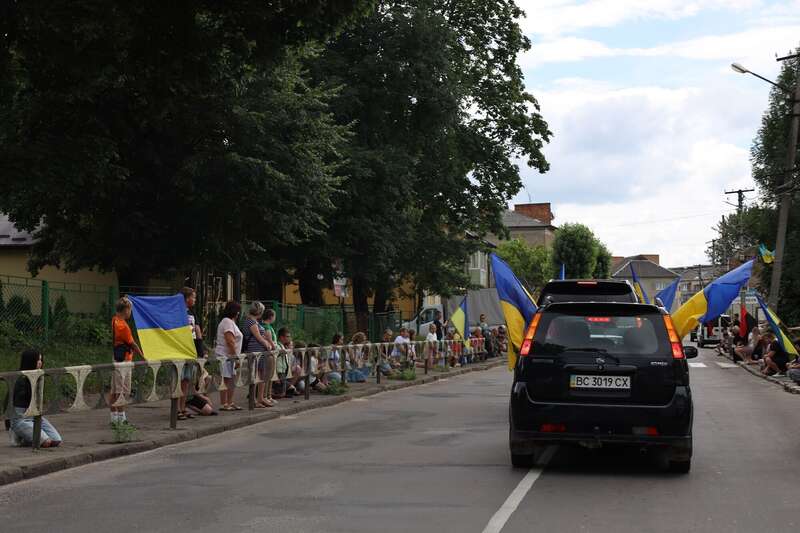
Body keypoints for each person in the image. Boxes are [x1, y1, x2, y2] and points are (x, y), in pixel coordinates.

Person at [8, 349, 62, 447]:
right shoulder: (20, 379)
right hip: (21, 418)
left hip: (35, 416)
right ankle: (18, 434)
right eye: (37, 360)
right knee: (46, 442)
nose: (40, 362)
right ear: (30, 361)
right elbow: (10, 404)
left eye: (41, 360)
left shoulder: (39, 376)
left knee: (56, 440)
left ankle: (25, 438)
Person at [111, 296, 143, 425]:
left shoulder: (114, 321)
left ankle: (114, 418)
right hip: (124, 360)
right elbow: (132, 343)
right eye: (130, 310)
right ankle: (121, 419)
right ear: (126, 310)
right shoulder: (123, 326)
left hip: (116, 357)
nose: (131, 312)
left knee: (114, 389)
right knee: (123, 390)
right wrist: (142, 355)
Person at [243, 301, 276, 407]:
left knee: (261, 374)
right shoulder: (251, 322)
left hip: (260, 352)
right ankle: (254, 400)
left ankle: (260, 398)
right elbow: (258, 337)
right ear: (259, 311)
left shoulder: (254, 321)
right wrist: (267, 344)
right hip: (255, 351)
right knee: (255, 375)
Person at [178, 287, 201, 420]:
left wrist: (200, 350)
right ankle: (177, 409)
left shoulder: (192, 313)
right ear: (186, 298)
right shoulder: (177, 313)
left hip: (190, 350)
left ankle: (183, 407)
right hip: (180, 350)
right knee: (179, 380)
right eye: (193, 297)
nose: (195, 299)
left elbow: (197, 331)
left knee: (186, 380)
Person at [215, 301, 243, 411]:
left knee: (231, 379)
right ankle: (224, 403)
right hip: (226, 355)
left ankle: (230, 402)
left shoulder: (231, 322)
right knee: (226, 379)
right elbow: (230, 341)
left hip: (230, 355)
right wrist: (235, 358)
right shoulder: (227, 322)